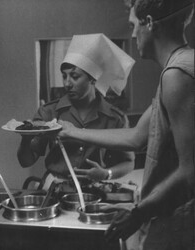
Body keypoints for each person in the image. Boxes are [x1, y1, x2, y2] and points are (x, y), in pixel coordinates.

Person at [58, 0, 194, 249]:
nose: (132, 34)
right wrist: (73, 131)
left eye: (133, 25)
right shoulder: (176, 69)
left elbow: (191, 172)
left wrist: (138, 213)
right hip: (169, 215)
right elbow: (136, 137)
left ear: (150, 23)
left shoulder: (178, 75)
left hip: (180, 224)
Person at [17, 33, 135, 191]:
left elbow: (128, 162)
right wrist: (25, 140)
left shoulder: (115, 118)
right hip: (53, 191)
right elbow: (25, 161)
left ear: (93, 78)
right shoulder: (49, 112)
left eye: (74, 76)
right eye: (64, 76)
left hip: (93, 192)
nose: (67, 83)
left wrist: (107, 173)